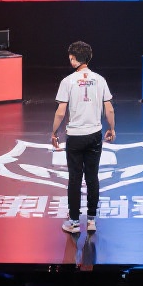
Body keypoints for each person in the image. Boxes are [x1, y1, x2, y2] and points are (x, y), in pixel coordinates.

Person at [51, 41, 116, 236]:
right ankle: (91, 220)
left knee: (75, 178)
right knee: (92, 177)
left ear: (73, 59)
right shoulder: (100, 80)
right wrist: (112, 128)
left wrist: (54, 132)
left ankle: (73, 221)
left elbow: (60, 112)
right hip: (94, 134)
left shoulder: (68, 81)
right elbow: (109, 109)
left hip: (75, 136)